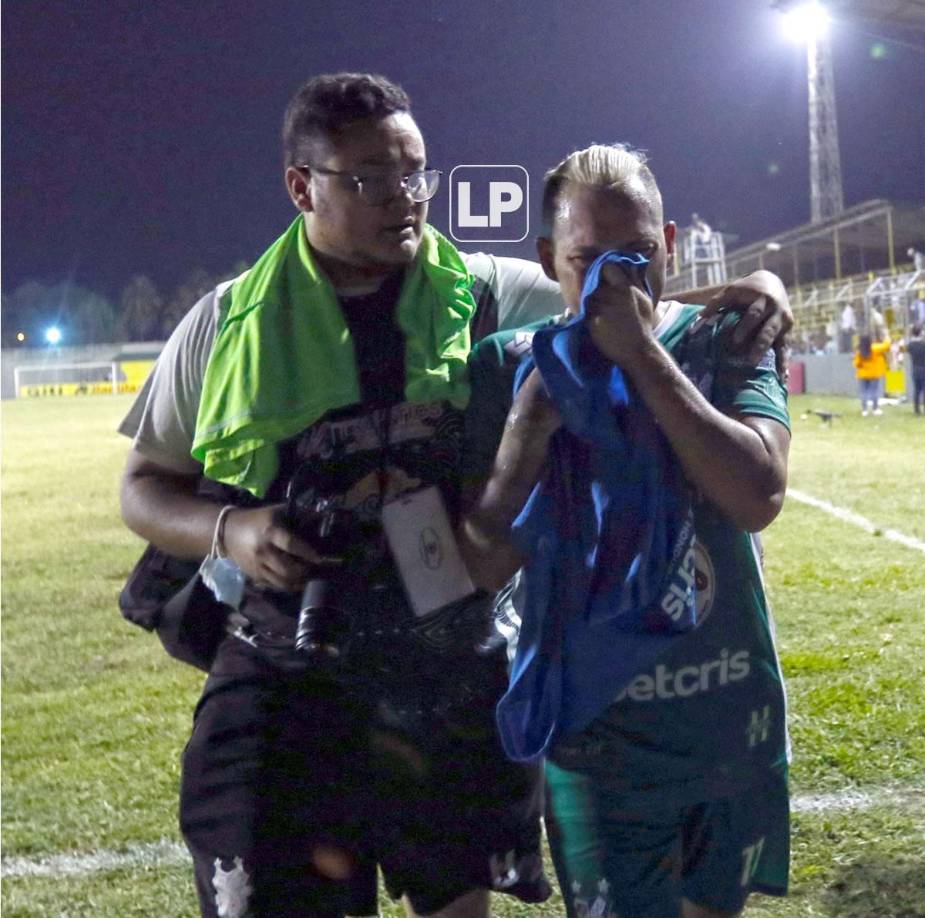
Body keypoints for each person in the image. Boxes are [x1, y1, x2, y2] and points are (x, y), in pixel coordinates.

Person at [119, 74, 793, 918]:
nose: (402, 197)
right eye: (369, 179)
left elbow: (616, 302)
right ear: (301, 186)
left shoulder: (483, 292)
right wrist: (230, 528)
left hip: (444, 673)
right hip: (285, 676)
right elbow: (141, 489)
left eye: (415, 173)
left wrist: (755, 288)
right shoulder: (228, 323)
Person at [460, 143, 791, 917]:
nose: (616, 280)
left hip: (726, 719)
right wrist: (525, 433)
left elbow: (757, 495)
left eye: (637, 256)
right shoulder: (506, 365)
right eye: (588, 259)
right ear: (547, 257)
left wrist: (642, 357)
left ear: (669, 244)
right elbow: (481, 561)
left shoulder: (721, 337)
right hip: (595, 741)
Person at [853, 333, 891, 416]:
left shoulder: (859, 352)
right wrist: (886, 335)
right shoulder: (875, 348)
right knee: (874, 391)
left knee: (863, 392)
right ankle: (875, 409)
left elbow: (856, 364)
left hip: (862, 374)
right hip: (874, 374)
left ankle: (864, 410)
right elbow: (887, 345)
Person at [903, 324, 925, 414]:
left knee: (917, 390)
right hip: (924, 368)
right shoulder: (923, 345)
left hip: (915, 369)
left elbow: (905, 347)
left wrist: (909, 334)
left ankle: (916, 410)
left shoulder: (911, 345)